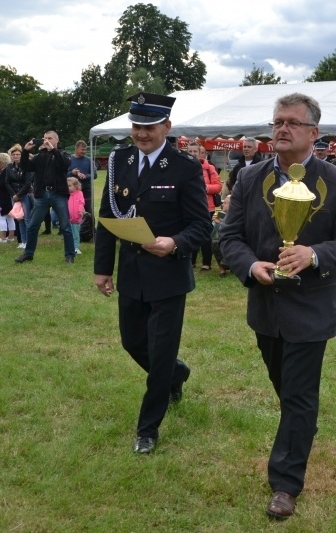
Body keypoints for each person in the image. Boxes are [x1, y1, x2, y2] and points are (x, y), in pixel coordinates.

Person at [219, 92, 336, 520]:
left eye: (292, 122)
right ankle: (300, 431)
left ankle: (285, 484)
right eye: (277, 122)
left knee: (300, 396)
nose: (282, 129)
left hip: (312, 309)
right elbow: (229, 237)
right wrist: (251, 266)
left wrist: (314, 254)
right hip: (265, 309)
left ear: (313, 133)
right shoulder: (249, 178)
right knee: (289, 393)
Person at [94, 92, 211, 455]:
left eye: (150, 127)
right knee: (132, 342)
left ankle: (148, 429)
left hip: (168, 276)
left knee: (160, 353)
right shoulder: (120, 161)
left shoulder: (184, 167)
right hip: (131, 273)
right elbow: (108, 218)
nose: (141, 134)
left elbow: (201, 226)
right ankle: (177, 373)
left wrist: (174, 242)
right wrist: (102, 269)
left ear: (167, 127)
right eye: (136, 127)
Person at [14, 131, 75, 264]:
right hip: (42, 194)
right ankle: (28, 253)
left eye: (50, 138)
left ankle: (70, 255)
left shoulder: (62, 154)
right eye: (45, 138)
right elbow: (25, 167)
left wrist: (53, 150)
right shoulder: (40, 156)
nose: (46, 140)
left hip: (58, 194)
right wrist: (25, 151)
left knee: (65, 226)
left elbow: (65, 164)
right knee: (33, 226)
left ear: (57, 140)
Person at [187, 142, 222, 271]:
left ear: (200, 153)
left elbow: (218, 186)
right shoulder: (182, 166)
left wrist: (205, 188)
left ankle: (206, 263)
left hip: (207, 207)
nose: (193, 154)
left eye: (195, 151)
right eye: (190, 151)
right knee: (190, 233)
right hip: (188, 207)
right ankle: (191, 261)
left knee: (206, 235)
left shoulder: (209, 168)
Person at [3, 145, 33, 249]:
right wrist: (13, 195)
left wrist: (19, 195)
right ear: (11, 156)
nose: (16, 156)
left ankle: (29, 241)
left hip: (25, 194)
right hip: (14, 195)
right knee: (19, 218)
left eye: (18, 154)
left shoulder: (27, 166)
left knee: (27, 219)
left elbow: (28, 182)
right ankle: (23, 241)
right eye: (14, 154)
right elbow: (7, 182)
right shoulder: (9, 167)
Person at [0, 152, 15, 243]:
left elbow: (2, 185)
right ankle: (11, 236)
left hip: (4, 196)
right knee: (10, 217)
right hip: (7, 196)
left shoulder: (5, 171)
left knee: (2, 217)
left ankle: (3, 237)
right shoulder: (8, 170)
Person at [67, 140, 95, 216]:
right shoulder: (69, 160)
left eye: (85, 149)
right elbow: (64, 174)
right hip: (72, 191)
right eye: (82, 150)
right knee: (72, 211)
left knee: (88, 210)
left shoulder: (89, 160)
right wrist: (72, 173)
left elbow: (95, 174)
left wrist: (85, 176)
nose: (84, 151)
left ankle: (90, 224)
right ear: (76, 148)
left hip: (86, 190)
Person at [66, 176, 85, 255]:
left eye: (70, 186)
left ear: (76, 186)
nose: (68, 187)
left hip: (77, 218)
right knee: (68, 233)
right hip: (68, 218)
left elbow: (81, 203)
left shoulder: (80, 193)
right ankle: (69, 247)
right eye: (67, 186)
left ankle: (76, 247)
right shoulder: (66, 195)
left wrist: (80, 211)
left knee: (76, 234)